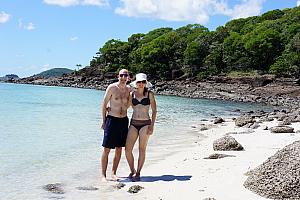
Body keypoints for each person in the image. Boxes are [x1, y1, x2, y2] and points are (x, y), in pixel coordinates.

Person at [125, 73, 157, 181]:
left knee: (141, 149)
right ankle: (132, 170)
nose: (141, 84)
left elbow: (154, 111)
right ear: (136, 83)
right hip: (133, 123)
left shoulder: (150, 94)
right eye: (139, 82)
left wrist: (152, 126)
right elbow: (126, 107)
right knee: (127, 149)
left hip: (145, 124)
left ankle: (138, 172)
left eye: (143, 82)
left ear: (146, 83)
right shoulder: (131, 94)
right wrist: (110, 108)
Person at [101, 69, 131, 182]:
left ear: (128, 77)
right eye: (121, 75)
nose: (123, 77)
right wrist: (104, 121)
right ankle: (103, 175)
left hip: (123, 121)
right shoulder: (112, 88)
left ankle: (113, 173)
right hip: (112, 120)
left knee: (119, 149)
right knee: (107, 149)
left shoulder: (129, 90)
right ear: (118, 76)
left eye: (125, 75)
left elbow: (142, 92)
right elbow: (104, 105)